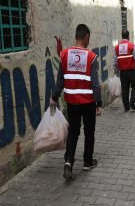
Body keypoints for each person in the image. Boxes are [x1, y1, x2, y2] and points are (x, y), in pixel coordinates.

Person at [50, 24, 103, 180]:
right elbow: (95, 83)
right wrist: (98, 103)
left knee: (73, 132)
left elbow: (60, 81)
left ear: (76, 36)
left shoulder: (64, 55)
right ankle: (87, 161)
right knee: (89, 131)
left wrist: (54, 97)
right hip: (87, 102)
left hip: (71, 101)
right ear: (86, 37)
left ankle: (68, 161)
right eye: (89, 38)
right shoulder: (91, 57)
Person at [113, 29, 135, 112]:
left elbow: (115, 61)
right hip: (132, 71)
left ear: (122, 36)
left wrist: (115, 71)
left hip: (122, 72)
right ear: (128, 36)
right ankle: (132, 102)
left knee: (124, 89)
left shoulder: (117, 47)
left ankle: (126, 106)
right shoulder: (131, 46)